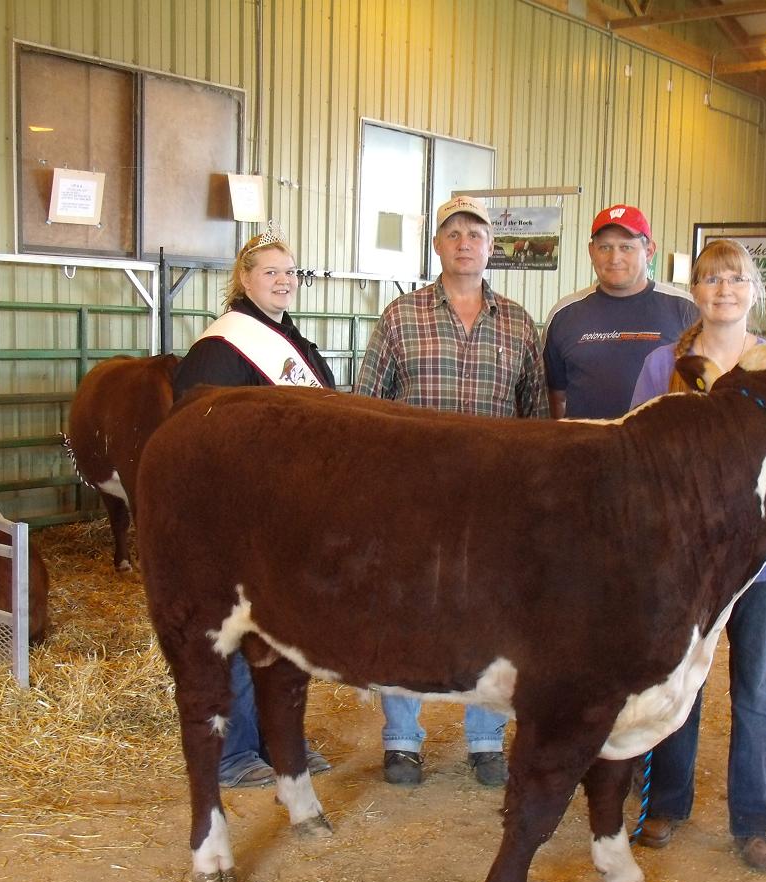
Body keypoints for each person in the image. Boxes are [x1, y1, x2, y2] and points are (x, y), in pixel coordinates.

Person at [354, 194, 548, 788]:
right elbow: (365, 408)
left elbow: (535, 415)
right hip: (413, 496)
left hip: (494, 500)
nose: (465, 243)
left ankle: (486, 738)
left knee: (490, 615)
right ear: (437, 244)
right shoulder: (399, 316)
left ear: (492, 247)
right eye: (453, 233)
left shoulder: (518, 322)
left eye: (476, 234)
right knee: (405, 611)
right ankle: (402, 739)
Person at [628, 238, 766, 872]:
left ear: (755, 290)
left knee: (756, 687)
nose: (722, 290)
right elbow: (639, 454)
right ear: (693, 292)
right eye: (709, 279)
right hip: (687, 556)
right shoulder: (660, 366)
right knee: (682, 681)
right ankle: (667, 803)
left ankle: (754, 821)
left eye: (734, 279)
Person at [173, 230, 335, 788]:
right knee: (239, 634)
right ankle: (235, 750)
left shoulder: (299, 346)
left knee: (287, 635)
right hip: (238, 520)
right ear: (244, 280)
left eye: (290, 272)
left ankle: (281, 741)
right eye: (271, 272)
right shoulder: (218, 351)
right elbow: (198, 435)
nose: (284, 280)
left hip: (291, 517)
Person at [543, 204, 697, 420]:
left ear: (649, 251)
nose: (614, 258)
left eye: (626, 247)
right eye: (605, 247)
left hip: (661, 449)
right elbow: (554, 397)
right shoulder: (564, 314)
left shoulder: (687, 309)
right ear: (591, 251)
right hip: (586, 450)